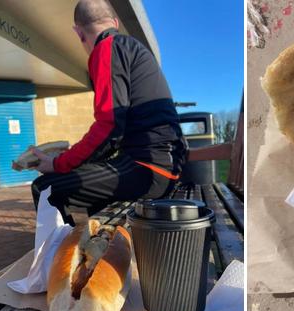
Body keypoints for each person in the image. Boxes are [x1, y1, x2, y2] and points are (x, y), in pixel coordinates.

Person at [31, 0, 188, 225]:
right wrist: (74, 157)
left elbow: (110, 126)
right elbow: (113, 131)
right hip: (165, 168)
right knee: (77, 190)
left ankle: (67, 255)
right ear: (114, 22)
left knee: (46, 188)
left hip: (146, 169)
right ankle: (85, 244)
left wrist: (59, 163)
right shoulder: (131, 47)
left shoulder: (107, 48)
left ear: (78, 32)